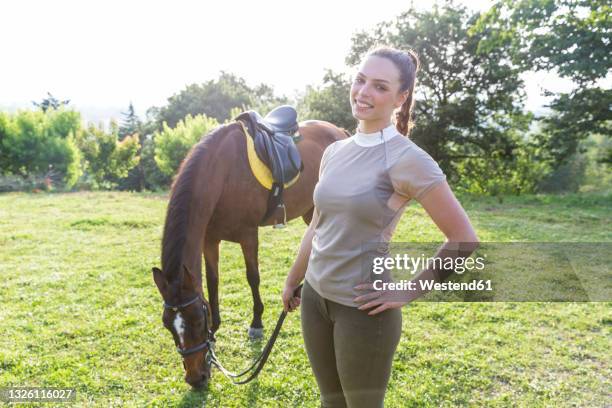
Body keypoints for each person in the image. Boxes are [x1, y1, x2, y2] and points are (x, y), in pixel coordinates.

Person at [281, 45, 479, 408]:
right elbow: (318, 224)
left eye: (380, 86)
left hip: (363, 310)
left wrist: (408, 291)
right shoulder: (335, 152)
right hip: (314, 300)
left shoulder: (408, 160)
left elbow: (464, 239)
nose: (364, 92)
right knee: (331, 402)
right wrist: (295, 278)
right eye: (360, 80)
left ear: (401, 98)